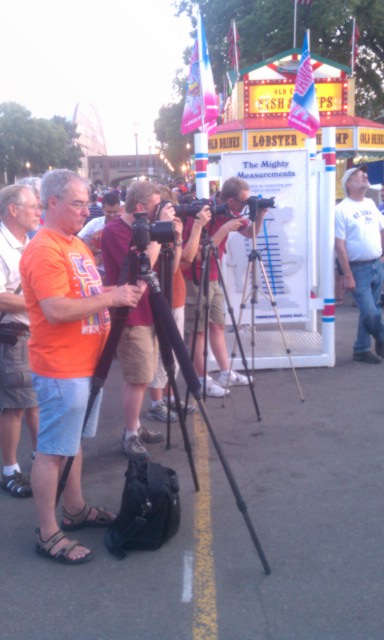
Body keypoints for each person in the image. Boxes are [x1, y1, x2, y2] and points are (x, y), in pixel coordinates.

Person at [20, 169, 144, 564]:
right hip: (61, 368)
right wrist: (112, 299)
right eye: (77, 202)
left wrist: (115, 292)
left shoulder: (73, 244)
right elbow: (55, 309)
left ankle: (73, 510)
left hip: (86, 366)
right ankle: (47, 531)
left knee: (71, 445)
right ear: (52, 203)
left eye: (86, 202)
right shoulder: (45, 249)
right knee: (52, 451)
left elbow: (86, 293)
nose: (85, 209)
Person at [102, 182, 182, 458]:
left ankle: (135, 425)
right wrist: (159, 233)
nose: (159, 210)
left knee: (142, 375)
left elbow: (169, 266)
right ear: (139, 208)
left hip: (150, 309)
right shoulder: (115, 231)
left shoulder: (146, 229)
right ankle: (130, 433)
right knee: (138, 378)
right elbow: (142, 265)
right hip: (131, 314)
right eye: (155, 206)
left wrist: (172, 233)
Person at [182, 176, 268, 397]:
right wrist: (225, 229)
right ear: (230, 201)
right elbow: (198, 253)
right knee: (198, 332)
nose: (245, 207)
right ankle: (201, 380)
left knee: (217, 326)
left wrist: (258, 218)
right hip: (194, 277)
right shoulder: (204, 212)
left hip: (213, 276)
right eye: (243, 203)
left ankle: (225, 372)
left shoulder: (231, 212)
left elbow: (251, 233)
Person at [0, 185, 41, 498]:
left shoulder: (28, 242)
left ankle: (42, 458)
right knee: (15, 405)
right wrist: (41, 303)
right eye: (32, 206)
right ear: (13, 209)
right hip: (14, 335)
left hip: (35, 332)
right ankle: (9, 469)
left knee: (34, 401)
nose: (38, 211)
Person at [335, 166, 384, 364]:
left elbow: (381, 228)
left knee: (368, 311)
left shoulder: (371, 203)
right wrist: (347, 274)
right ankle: (381, 338)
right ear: (348, 183)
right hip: (358, 268)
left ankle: (361, 349)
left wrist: (382, 255)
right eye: (358, 175)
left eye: (364, 174)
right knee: (372, 311)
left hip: (375, 264)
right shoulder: (341, 209)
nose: (364, 175)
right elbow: (339, 244)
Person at [78, 191, 122, 281]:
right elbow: (77, 240)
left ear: (119, 209)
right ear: (102, 209)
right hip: (97, 270)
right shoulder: (95, 223)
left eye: (115, 212)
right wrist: (91, 251)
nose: (112, 215)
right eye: (109, 212)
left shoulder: (124, 225)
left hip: (117, 270)